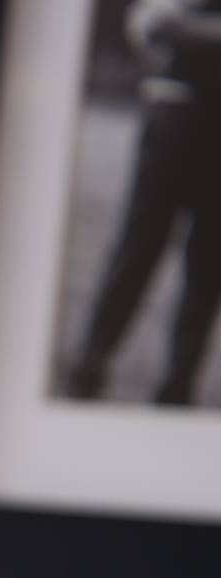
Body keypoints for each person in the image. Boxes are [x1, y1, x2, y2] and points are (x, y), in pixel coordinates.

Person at [64, 0, 221, 406]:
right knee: (138, 249)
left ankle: (177, 389)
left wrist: (191, 29)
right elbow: (150, 22)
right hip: (178, 113)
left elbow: (169, 27)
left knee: (207, 267)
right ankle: (89, 367)